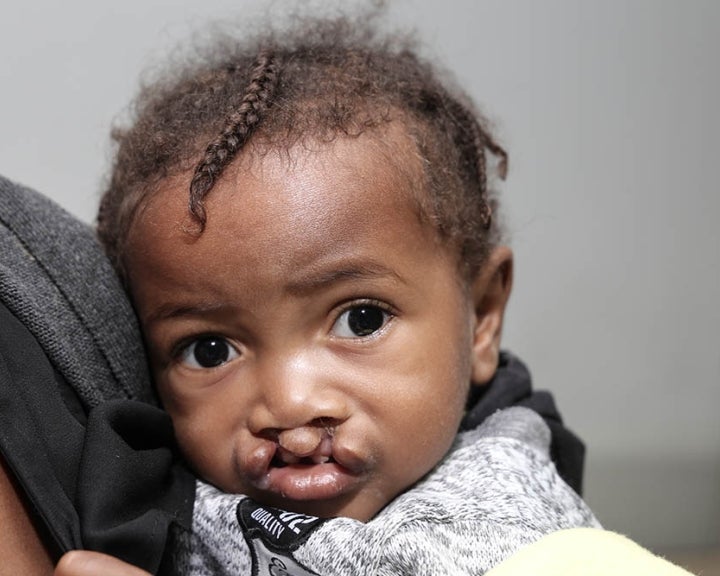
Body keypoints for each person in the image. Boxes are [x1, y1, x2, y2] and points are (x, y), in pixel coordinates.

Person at [55, 13, 602, 575]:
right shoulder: (163, 479)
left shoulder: (507, 521)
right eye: (210, 350)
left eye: (361, 320)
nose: (289, 404)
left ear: (481, 315)